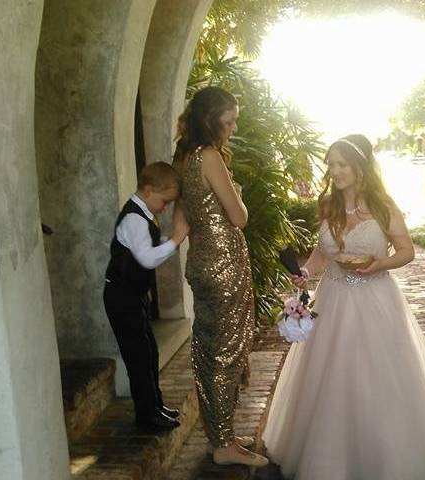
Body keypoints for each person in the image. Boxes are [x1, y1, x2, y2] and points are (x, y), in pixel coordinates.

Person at [262, 134, 425, 480]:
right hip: (332, 298)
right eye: (331, 164)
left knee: (378, 375)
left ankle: (389, 453)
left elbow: (406, 251)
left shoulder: (382, 206)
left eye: (341, 164)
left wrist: (380, 264)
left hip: (376, 300)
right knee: (331, 375)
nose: (334, 171)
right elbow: (322, 254)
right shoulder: (328, 205)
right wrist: (305, 272)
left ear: (359, 166)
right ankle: (331, 456)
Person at [172, 86, 268, 467]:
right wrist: (238, 193)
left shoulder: (182, 157)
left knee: (211, 351)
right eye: (228, 121)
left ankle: (221, 436)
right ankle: (225, 445)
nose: (232, 128)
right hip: (224, 264)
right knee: (225, 355)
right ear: (211, 120)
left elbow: (183, 218)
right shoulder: (209, 157)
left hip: (201, 264)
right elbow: (239, 216)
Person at [103, 161, 189, 429]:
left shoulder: (142, 215)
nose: (164, 207)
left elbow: (150, 247)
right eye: (164, 201)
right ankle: (146, 414)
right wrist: (175, 240)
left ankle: (155, 405)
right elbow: (147, 258)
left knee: (149, 353)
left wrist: (169, 242)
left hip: (135, 296)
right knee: (138, 356)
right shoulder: (133, 219)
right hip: (122, 297)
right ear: (149, 190)